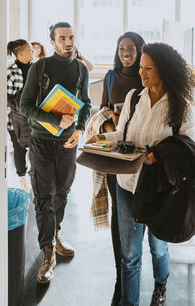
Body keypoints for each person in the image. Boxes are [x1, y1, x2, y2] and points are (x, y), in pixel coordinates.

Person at [86, 42, 195, 305]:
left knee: (158, 247)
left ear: (165, 71)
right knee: (129, 254)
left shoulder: (183, 107)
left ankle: (160, 286)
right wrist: (102, 137)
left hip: (160, 189)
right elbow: (123, 136)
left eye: (148, 68)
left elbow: (189, 150)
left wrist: (159, 155)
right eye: (141, 67)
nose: (141, 73)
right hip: (126, 186)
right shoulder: (135, 97)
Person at [20, 22, 91, 284]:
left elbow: (86, 104)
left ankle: (55, 232)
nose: (68, 42)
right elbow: (25, 106)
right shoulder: (40, 68)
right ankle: (47, 251)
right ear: (52, 41)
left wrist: (80, 129)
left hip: (67, 144)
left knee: (62, 191)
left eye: (71, 37)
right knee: (43, 194)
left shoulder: (81, 69)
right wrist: (52, 118)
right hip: (41, 142)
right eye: (62, 38)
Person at [88, 32, 145, 306]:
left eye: (131, 48)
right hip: (116, 155)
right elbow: (103, 111)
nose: (126, 52)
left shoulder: (148, 75)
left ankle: (136, 272)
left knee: (140, 211)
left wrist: (127, 127)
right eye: (121, 48)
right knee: (118, 214)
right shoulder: (111, 77)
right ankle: (120, 278)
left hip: (141, 155)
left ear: (140, 50)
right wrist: (113, 128)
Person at [7, 39, 34, 191]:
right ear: (21, 53)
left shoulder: (36, 68)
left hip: (34, 118)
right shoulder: (11, 73)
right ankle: (22, 179)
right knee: (19, 148)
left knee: (35, 148)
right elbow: (5, 99)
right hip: (14, 120)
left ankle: (34, 177)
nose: (33, 52)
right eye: (30, 50)